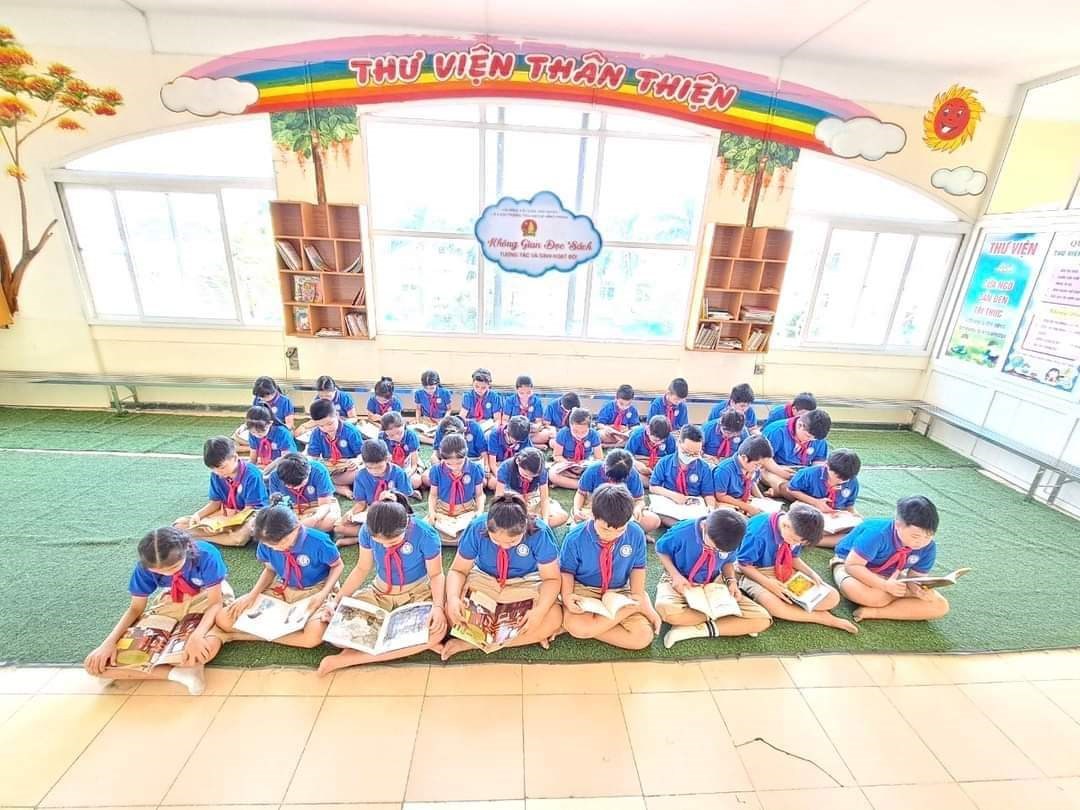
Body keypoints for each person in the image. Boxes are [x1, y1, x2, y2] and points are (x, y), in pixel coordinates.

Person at [84, 527, 230, 695]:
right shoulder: (144, 567)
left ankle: (179, 666)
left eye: (174, 566)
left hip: (206, 597)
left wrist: (197, 635)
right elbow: (135, 608)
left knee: (202, 651)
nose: (168, 572)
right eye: (159, 572)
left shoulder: (206, 554)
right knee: (97, 666)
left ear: (187, 548)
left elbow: (215, 603)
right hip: (169, 601)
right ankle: (177, 673)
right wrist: (107, 643)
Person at [318, 500, 448, 673]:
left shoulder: (425, 534)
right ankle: (413, 644)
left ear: (405, 526)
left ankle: (348, 659)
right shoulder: (366, 530)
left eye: (392, 542)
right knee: (336, 631)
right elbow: (362, 568)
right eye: (379, 542)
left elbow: (436, 575)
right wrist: (336, 601)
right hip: (378, 592)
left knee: (438, 630)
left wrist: (438, 607)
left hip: (417, 593)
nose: (386, 546)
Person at [441, 493, 564, 659]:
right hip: (485, 578)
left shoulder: (539, 532)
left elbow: (551, 579)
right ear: (487, 527)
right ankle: (528, 636)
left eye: (512, 542)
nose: (504, 547)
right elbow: (458, 570)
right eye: (496, 541)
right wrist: (454, 598)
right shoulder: (477, 527)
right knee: (450, 611)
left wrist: (540, 611)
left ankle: (470, 644)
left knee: (554, 617)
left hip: (526, 581)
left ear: (524, 528)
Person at [217, 499, 343, 648]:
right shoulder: (266, 544)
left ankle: (239, 636)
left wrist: (322, 594)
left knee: (314, 637)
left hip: (317, 589)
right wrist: (253, 595)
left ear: (296, 526)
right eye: (272, 546)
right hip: (284, 587)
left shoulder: (319, 541)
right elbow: (270, 569)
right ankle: (286, 633)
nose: (279, 548)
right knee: (223, 618)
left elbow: (337, 565)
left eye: (284, 541)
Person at [559, 484, 661, 650]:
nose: (611, 535)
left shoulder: (635, 533)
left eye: (620, 530)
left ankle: (582, 627)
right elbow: (566, 572)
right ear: (593, 515)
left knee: (643, 637)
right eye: (605, 529)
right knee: (578, 627)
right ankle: (630, 609)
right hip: (585, 588)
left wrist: (637, 595)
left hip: (619, 590)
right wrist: (567, 596)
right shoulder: (575, 538)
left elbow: (638, 568)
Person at [655, 510, 773, 647]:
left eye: (720, 550)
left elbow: (728, 561)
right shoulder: (682, 532)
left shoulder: (732, 537)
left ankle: (692, 630)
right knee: (666, 610)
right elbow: (661, 550)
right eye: (714, 546)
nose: (716, 551)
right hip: (680, 579)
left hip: (714, 583)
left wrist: (731, 581)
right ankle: (727, 620)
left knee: (762, 619)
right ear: (704, 526)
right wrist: (675, 575)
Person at [736, 503, 857, 634]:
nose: (795, 544)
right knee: (774, 606)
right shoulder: (757, 533)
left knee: (832, 597)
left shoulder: (795, 533)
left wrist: (811, 573)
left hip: (782, 566)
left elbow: (793, 557)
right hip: (754, 571)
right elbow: (743, 565)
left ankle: (795, 606)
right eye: (794, 540)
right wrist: (769, 584)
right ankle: (821, 618)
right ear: (785, 525)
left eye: (799, 542)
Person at [831, 496, 949, 622]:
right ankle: (892, 600)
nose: (921, 542)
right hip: (850, 564)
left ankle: (875, 612)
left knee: (940, 606)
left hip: (891, 574)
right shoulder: (876, 533)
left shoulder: (928, 547)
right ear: (898, 525)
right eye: (915, 536)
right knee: (860, 592)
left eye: (928, 536)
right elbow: (852, 566)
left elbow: (914, 577)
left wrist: (917, 589)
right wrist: (884, 586)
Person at [174, 436, 267, 546]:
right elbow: (215, 503)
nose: (219, 472)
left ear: (235, 457)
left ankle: (198, 537)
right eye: (214, 469)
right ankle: (222, 534)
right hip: (228, 512)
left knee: (240, 538)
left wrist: (226, 522)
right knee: (179, 525)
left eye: (222, 467)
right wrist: (198, 515)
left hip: (249, 514)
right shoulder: (216, 475)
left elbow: (250, 509)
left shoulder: (252, 474)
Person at [335, 439, 414, 544]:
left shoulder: (398, 473)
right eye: (370, 467)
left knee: (406, 526)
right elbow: (361, 503)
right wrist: (351, 513)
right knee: (338, 527)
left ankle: (361, 539)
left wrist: (392, 498)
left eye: (379, 467)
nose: (375, 471)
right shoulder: (361, 475)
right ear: (363, 463)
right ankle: (372, 537)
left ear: (387, 459)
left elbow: (404, 502)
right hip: (371, 510)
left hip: (393, 511)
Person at [781, 449, 862, 547]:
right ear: (827, 466)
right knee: (797, 509)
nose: (840, 481)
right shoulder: (809, 473)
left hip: (833, 518)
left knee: (858, 531)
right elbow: (791, 489)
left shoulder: (853, 482)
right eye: (837, 477)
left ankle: (807, 540)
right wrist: (816, 502)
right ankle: (808, 538)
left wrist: (854, 515)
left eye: (845, 479)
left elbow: (849, 505)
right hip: (810, 511)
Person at [574, 449, 661, 533]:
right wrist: (577, 510)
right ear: (605, 466)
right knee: (578, 528)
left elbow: (639, 499)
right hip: (596, 510)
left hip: (623, 511)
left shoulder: (633, 474)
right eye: (610, 478)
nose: (613, 482)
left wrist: (637, 508)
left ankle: (627, 534)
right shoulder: (593, 470)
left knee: (654, 521)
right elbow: (581, 493)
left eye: (618, 480)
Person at [427, 433, 487, 544]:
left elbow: (479, 495)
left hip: (467, 509)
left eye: (459, 463)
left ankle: (462, 538)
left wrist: (479, 511)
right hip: (443, 510)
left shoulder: (475, 469)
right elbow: (433, 495)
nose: (455, 467)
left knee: (481, 527)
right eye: (449, 464)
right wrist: (432, 512)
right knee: (427, 530)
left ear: (466, 455)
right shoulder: (436, 470)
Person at [649, 424, 715, 525]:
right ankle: (684, 526)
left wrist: (710, 508)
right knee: (655, 515)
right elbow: (653, 486)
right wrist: (673, 495)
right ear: (678, 443)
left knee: (705, 521)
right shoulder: (664, 462)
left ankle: (683, 525)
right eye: (686, 452)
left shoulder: (704, 468)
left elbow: (708, 494)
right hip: (670, 503)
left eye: (695, 453)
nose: (690, 456)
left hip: (692, 507)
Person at [494, 446, 568, 528]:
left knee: (562, 516)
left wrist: (545, 521)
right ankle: (528, 525)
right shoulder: (505, 467)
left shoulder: (541, 470)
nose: (530, 479)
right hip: (512, 501)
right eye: (526, 475)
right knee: (502, 519)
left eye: (533, 476)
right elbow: (499, 498)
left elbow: (544, 498)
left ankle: (526, 525)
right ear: (518, 461)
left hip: (533, 498)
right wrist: (515, 499)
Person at [267, 452, 341, 533]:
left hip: (317, 505)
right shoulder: (275, 476)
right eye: (289, 485)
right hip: (292, 509)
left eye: (299, 484)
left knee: (329, 521)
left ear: (308, 473)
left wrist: (314, 519)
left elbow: (325, 504)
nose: (295, 488)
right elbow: (278, 507)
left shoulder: (318, 470)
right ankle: (300, 530)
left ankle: (295, 532)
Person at [759, 408, 832, 492]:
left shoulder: (818, 438)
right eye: (808, 436)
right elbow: (764, 459)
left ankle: (777, 492)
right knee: (788, 488)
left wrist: (813, 477)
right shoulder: (777, 431)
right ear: (800, 425)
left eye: (814, 439)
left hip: (801, 472)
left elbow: (818, 463)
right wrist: (782, 473)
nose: (810, 440)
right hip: (774, 469)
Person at [305, 398, 364, 497]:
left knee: (364, 472)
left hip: (349, 467)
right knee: (309, 473)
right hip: (330, 468)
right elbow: (313, 457)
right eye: (321, 426)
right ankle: (341, 489)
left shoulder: (350, 430)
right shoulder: (316, 433)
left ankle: (334, 486)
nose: (326, 428)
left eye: (330, 423)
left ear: (337, 415)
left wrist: (357, 461)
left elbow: (362, 454)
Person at [711, 436, 774, 516]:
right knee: (733, 515)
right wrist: (747, 507)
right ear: (744, 458)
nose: (759, 468)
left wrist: (762, 499)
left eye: (761, 465)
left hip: (743, 499)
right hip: (725, 501)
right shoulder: (724, 470)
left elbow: (752, 483)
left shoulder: (753, 467)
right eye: (757, 464)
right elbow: (720, 496)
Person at [234, 376, 295, 451]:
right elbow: (253, 417)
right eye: (261, 397)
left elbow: (289, 425)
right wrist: (245, 426)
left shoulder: (285, 401)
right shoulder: (258, 399)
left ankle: (255, 447)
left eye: (265, 396)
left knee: (287, 436)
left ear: (273, 391)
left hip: (274, 430)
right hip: (259, 429)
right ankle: (258, 446)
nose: (263, 399)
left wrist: (271, 430)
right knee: (237, 435)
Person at [549, 406, 603, 489]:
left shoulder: (594, 434)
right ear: (570, 425)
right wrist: (568, 463)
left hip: (585, 465)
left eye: (584, 431)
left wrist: (585, 464)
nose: (579, 434)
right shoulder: (563, 433)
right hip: (566, 464)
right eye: (575, 431)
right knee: (552, 474)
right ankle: (584, 485)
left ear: (589, 427)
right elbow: (557, 455)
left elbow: (599, 458)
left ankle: (572, 483)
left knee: (600, 471)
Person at [244, 405, 297, 471]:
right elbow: (253, 458)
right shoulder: (253, 434)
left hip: (285, 465)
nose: (256, 435)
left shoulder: (282, 433)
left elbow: (286, 458)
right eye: (253, 432)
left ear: (270, 423)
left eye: (260, 432)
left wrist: (267, 469)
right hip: (265, 465)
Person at [378, 411, 423, 490]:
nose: (397, 437)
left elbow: (414, 465)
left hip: (408, 462)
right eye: (391, 435)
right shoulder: (382, 437)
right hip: (392, 464)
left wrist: (405, 475)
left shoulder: (411, 436)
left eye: (399, 433)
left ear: (404, 425)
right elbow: (383, 460)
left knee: (416, 481)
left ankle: (398, 488)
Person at [486, 414, 532, 488]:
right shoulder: (494, 435)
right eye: (515, 441)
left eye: (519, 441)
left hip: (514, 466)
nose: (517, 443)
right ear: (506, 432)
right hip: (497, 466)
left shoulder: (523, 438)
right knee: (493, 483)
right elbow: (492, 464)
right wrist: (502, 479)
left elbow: (529, 458)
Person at [626, 415, 676, 481]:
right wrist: (635, 463)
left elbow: (672, 459)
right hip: (640, 462)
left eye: (662, 441)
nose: (658, 443)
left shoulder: (669, 438)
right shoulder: (637, 435)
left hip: (658, 464)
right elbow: (626, 455)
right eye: (656, 440)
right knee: (631, 474)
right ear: (648, 431)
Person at [503, 375, 547, 444]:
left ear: (532, 389)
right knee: (504, 436)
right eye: (521, 393)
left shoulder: (537, 401)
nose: (525, 396)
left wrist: (536, 427)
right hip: (514, 430)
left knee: (546, 434)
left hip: (530, 431)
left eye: (528, 393)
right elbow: (505, 420)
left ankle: (521, 442)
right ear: (516, 390)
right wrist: (511, 429)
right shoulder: (510, 401)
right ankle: (530, 443)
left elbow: (539, 421)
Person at [413, 369, 452, 435]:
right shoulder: (418, 393)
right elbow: (418, 409)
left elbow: (449, 409)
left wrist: (443, 420)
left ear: (437, 384)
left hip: (441, 420)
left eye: (432, 388)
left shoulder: (445, 393)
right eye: (426, 388)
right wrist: (417, 420)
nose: (429, 391)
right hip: (426, 420)